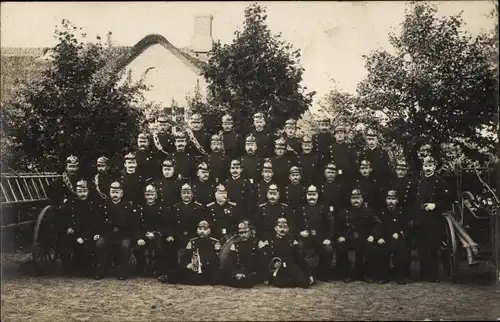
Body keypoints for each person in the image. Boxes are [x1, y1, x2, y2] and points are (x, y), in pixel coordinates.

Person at [94, 181, 141, 280]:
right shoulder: (104, 206)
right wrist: (98, 233)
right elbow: (99, 222)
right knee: (99, 244)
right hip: (107, 234)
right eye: (112, 192)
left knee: (125, 245)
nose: (115, 195)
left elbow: (133, 224)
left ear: (121, 194)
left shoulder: (128, 207)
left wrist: (137, 237)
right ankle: (100, 270)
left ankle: (122, 271)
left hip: (124, 234)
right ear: (109, 193)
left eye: (117, 192)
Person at [415, 156, 451, 283]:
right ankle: (423, 274)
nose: (427, 168)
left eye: (430, 166)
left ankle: (432, 275)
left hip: (434, 218)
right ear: (422, 167)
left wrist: (435, 205)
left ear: (434, 167)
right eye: (425, 166)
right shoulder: (420, 182)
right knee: (422, 247)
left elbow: (447, 201)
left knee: (432, 246)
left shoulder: (441, 182)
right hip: (421, 218)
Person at [334, 189, 380, 283]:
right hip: (348, 238)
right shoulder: (344, 212)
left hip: (364, 238)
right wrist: (339, 236)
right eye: (353, 198)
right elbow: (336, 226)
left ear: (362, 199)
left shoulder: (369, 211)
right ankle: (347, 273)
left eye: (358, 198)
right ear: (350, 200)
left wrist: (373, 235)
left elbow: (378, 224)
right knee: (341, 248)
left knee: (372, 248)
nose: (356, 200)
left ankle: (366, 273)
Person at [57, 179, 97, 276]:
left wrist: (83, 237)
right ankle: (67, 268)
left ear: (88, 191)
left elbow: (94, 223)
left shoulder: (92, 204)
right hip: (73, 233)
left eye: (84, 191)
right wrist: (67, 228)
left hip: (86, 233)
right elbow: (61, 219)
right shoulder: (69, 204)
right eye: (80, 191)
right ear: (76, 192)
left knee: (87, 245)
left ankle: (86, 267)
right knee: (63, 243)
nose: (82, 194)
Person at [260, 217, 314, 288]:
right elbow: (266, 259)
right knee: (279, 282)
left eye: (285, 227)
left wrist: (309, 274)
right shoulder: (269, 241)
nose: (283, 230)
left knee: (305, 283)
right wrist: (267, 275)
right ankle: (288, 281)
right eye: (280, 227)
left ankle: (293, 281)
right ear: (275, 228)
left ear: (288, 229)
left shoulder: (292, 240)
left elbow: (299, 258)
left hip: (291, 266)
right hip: (278, 268)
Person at [370, 190, 410, 285]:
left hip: (397, 238)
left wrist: (399, 234)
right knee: (381, 250)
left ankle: (400, 277)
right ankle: (384, 276)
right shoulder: (381, 212)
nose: (391, 201)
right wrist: (379, 237)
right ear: (386, 200)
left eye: (393, 199)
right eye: (389, 199)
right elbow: (378, 226)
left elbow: (406, 226)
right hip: (385, 238)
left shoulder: (402, 212)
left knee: (401, 251)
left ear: (397, 201)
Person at [295, 185, 334, 281]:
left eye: (314, 194)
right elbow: (293, 224)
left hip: (320, 238)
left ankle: (323, 273)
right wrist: (300, 233)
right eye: (309, 194)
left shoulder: (323, 208)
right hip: (305, 238)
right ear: (306, 195)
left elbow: (331, 225)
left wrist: (328, 238)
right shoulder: (300, 208)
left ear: (317, 195)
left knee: (328, 249)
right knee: (297, 247)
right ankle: (303, 272)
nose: (311, 197)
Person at [165, 220, 222, 285]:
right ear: (197, 230)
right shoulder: (192, 242)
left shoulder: (215, 243)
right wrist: (188, 265)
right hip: (194, 268)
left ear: (209, 231)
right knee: (175, 273)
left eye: (205, 229)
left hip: (208, 268)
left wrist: (203, 264)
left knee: (215, 278)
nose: (202, 231)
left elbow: (215, 259)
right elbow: (184, 256)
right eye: (200, 229)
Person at [134, 184, 166, 277]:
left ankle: (156, 268)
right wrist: (140, 237)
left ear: (156, 196)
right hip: (144, 235)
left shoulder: (162, 208)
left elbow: (164, 224)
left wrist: (155, 234)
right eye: (148, 195)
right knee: (137, 249)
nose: (150, 197)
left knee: (159, 248)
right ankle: (142, 266)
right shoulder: (140, 208)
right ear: (145, 196)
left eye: (152, 195)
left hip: (157, 235)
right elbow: (136, 225)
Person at [225, 221, 263, 288]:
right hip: (239, 272)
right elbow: (230, 262)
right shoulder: (235, 245)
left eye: (245, 232)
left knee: (248, 281)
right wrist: (236, 273)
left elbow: (263, 262)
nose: (243, 235)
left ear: (250, 232)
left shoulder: (258, 243)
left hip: (252, 272)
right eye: (241, 233)